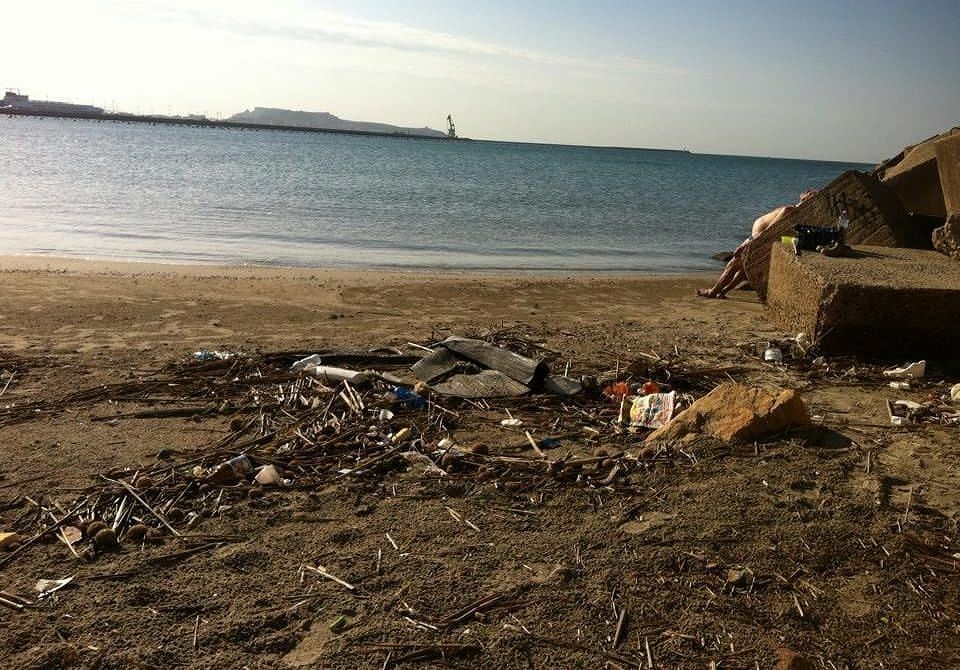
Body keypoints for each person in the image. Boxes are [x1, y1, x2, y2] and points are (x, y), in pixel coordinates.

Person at [697, 189, 818, 298]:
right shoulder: (795, 216)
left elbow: (768, 231)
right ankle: (723, 291)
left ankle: (712, 292)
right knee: (743, 269)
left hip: (757, 239)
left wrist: (745, 245)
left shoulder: (789, 210)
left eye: (808, 193)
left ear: (805, 198)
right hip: (764, 241)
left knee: (733, 264)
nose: (806, 192)